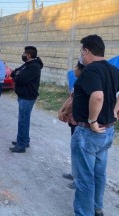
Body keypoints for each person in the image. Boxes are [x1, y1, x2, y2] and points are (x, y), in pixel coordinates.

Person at [71, 34, 119, 216]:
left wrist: (92, 120)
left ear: (86, 50)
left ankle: (85, 213)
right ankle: (97, 207)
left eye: (81, 51)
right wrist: (114, 111)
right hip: (107, 131)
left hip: (89, 132)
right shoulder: (114, 70)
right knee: (99, 173)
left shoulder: (90, 70)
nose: (81, 56)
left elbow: (97, 96)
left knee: (85, 178)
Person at [10, 46, 43, 153]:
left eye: (24, 53)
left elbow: (20, 79)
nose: (23, 55)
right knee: (24, 120)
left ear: (28, 55)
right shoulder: (27, 64)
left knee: (23, 121)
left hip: (27, 97)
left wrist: (17, 76)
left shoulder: (34, 66)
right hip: (23, 96)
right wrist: (17, 75)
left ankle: (21, 145)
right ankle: (24, 140)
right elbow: (14, 72)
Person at [57, 62, 84, 190]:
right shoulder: (77, 83)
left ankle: (78, 179)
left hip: (79, 122)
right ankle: (74, 174)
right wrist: (61, 110)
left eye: (76, 67)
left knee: (79, 150)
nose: (74, 70)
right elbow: (70, 98)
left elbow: (74, 103)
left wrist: (65, 112)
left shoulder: (84, 83)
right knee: (74, 149)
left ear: (81, 69)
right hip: (73, 121)